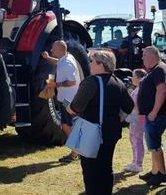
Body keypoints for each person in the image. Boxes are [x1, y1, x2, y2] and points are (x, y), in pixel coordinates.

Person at [67, 50, 133, 195]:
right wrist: (119, 119)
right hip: (112, 132)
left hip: (91, 133)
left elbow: (76, 107)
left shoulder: (91, 82)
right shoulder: (118, 82)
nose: (90, 64)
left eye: (92, 61)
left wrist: (69, 108)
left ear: (101, 65)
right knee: (106, 167)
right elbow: (129, 105)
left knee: (90, 170)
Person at [136, 46, 166, 187]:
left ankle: (162, 174)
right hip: (154, 114)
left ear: (152, 55)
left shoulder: (160, 69)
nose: (142, 58)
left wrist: (153, 112)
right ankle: (154, 172)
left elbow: (162, 90)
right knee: (154, 144)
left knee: (154, 144)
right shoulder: (156, 69)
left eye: (144, 55)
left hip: (157, 115)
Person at [41, 40, 81, 163]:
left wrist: (55, 84)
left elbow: (72, 82)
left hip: (67, 100)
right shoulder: (66, 58)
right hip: (65, 99)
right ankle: (77, 149)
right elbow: (59, 63)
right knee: (68, 123)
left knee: (66, 124)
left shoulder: (68, 62)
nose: (52, 50)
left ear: (60, 49)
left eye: (54, 49)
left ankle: (76, 151)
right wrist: (48, 58)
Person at [124, 68, 147, 173]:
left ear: (138, 78)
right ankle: (134, 161)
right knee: (132, 138)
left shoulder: (141, 89)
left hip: (138, 117)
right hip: (134, 116)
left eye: (133, 76)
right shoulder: (138, 88)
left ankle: (138, 163)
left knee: (137, 140)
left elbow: (137, 105)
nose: (132, 78)